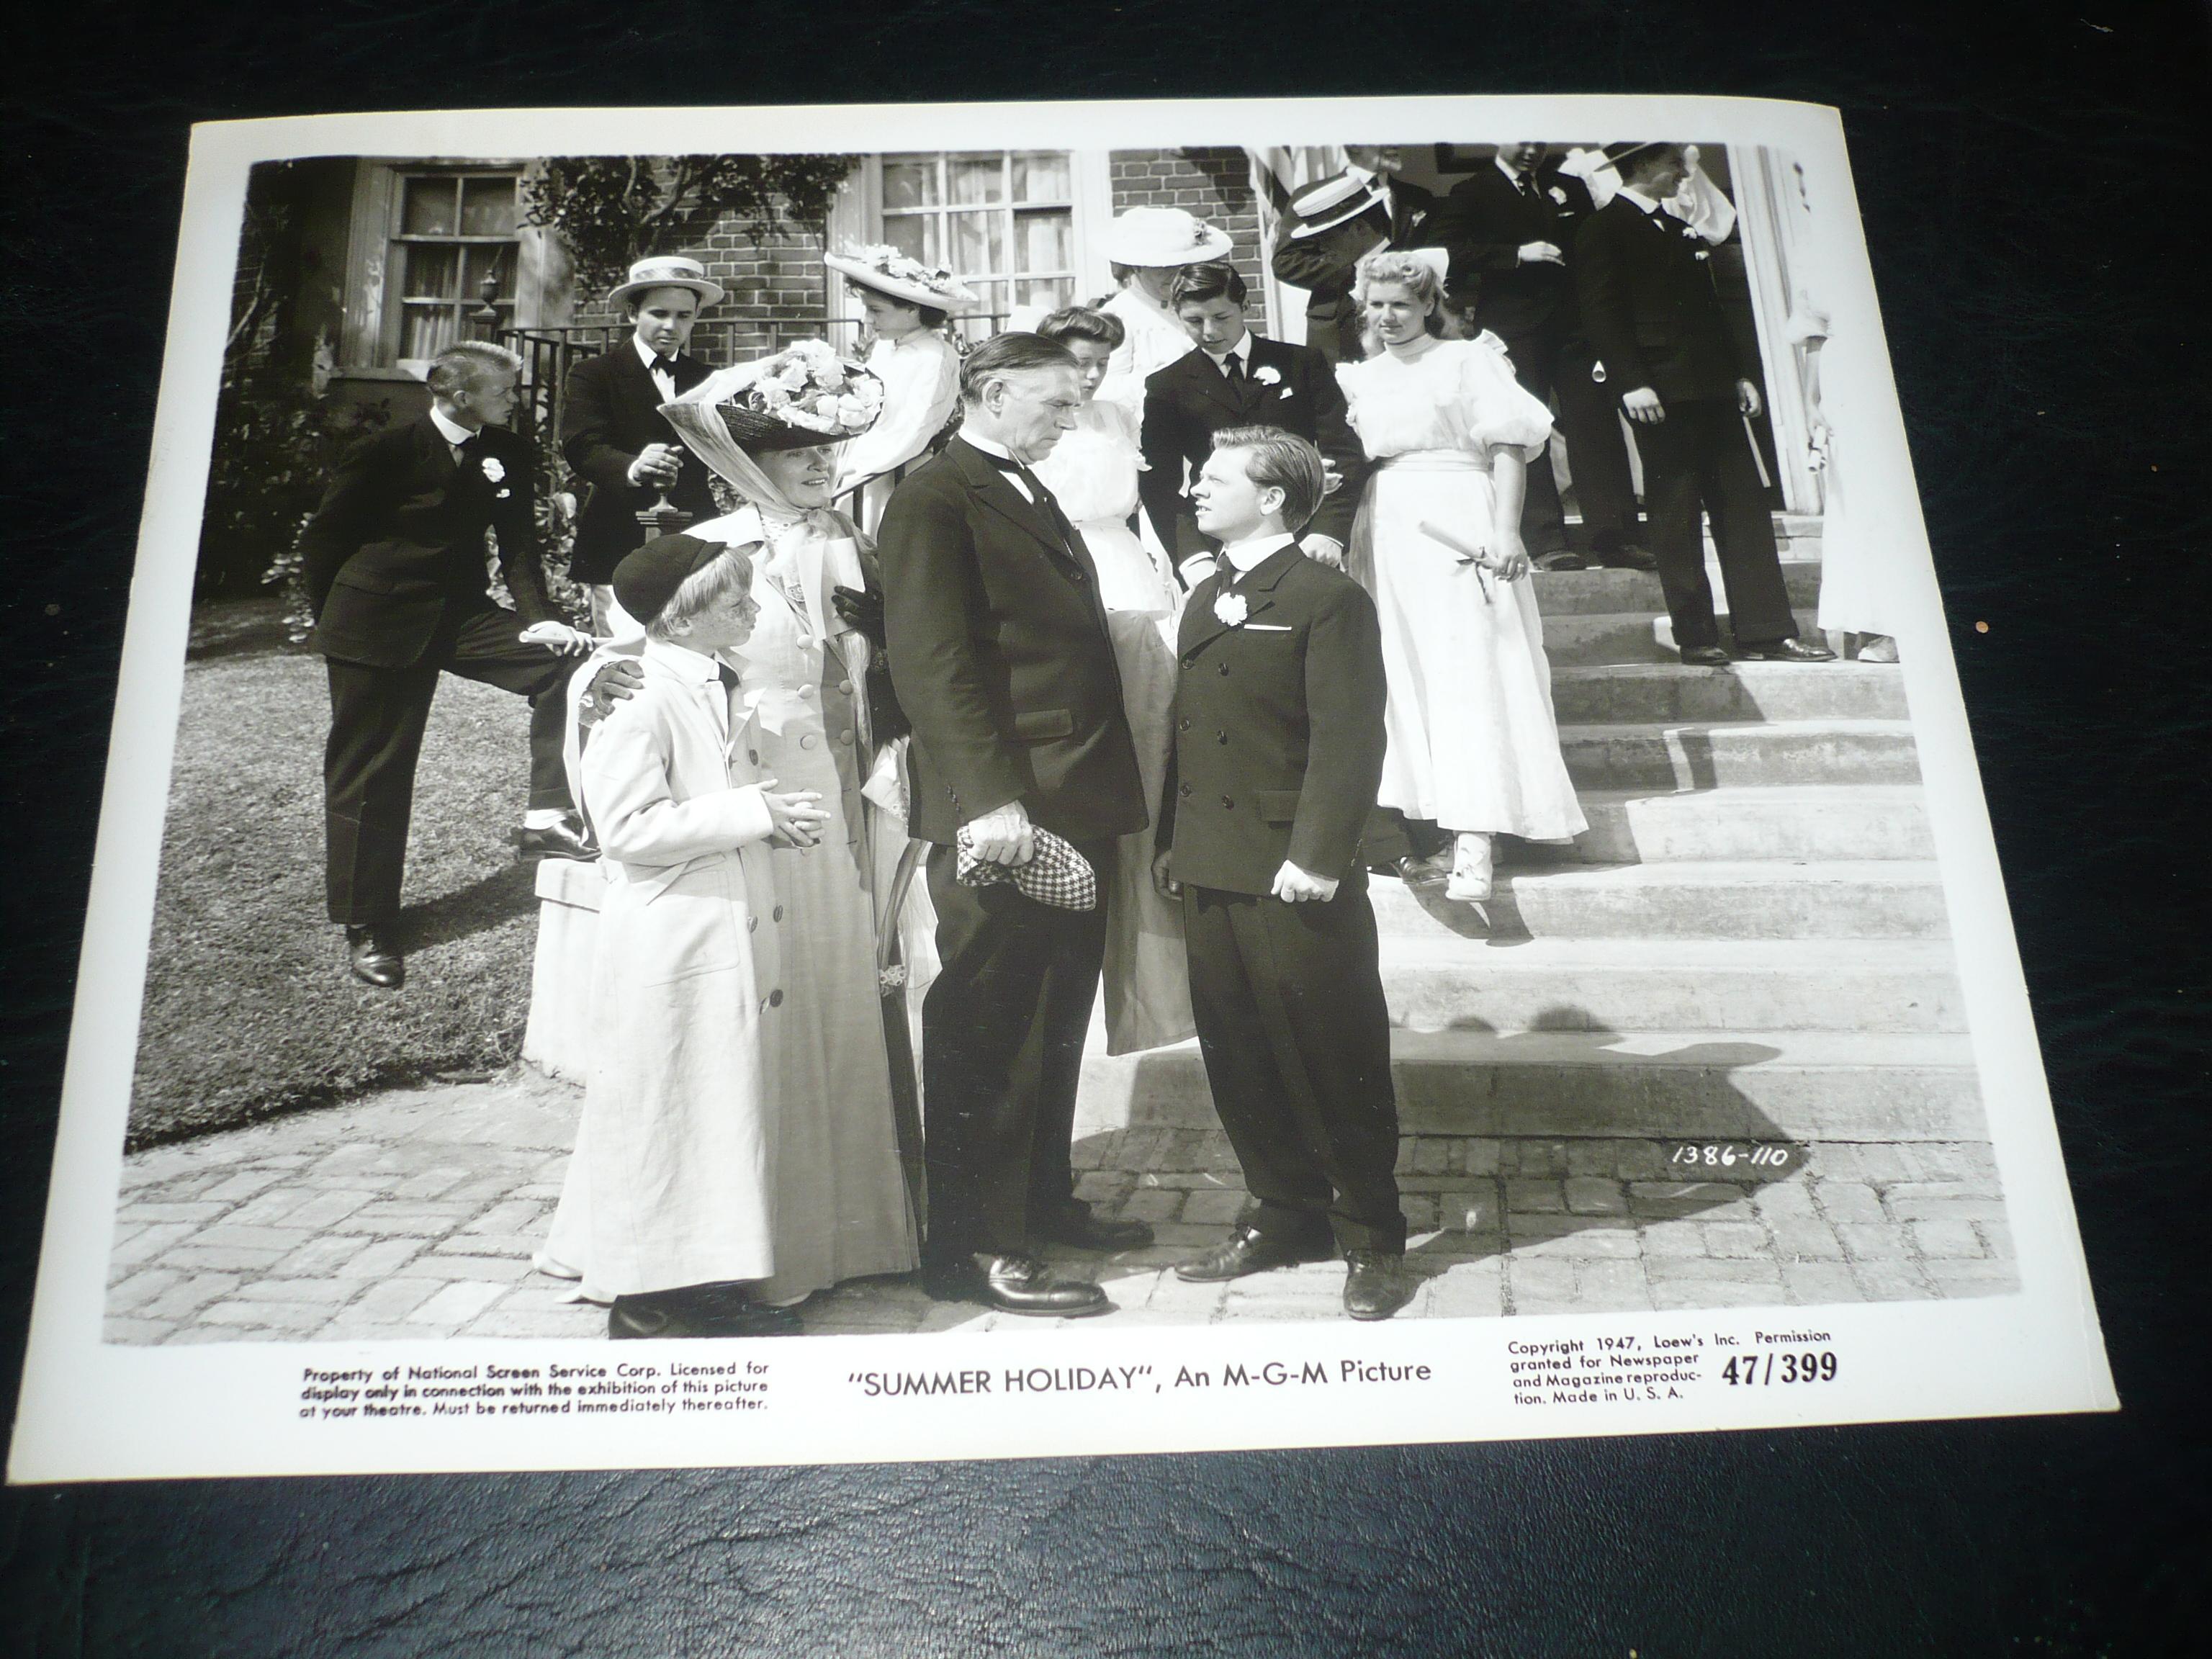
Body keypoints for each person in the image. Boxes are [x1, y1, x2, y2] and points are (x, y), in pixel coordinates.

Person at [879, 332, 1154, 1318]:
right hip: (1007, 807)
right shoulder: (935, 496)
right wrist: (986, 802)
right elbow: (932, 663)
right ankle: (977, 1246)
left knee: (1053, 1014)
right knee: (989, 1023)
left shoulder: (1024, 485)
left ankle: (1041, 1201)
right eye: (1053, 404)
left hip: (1071, 789)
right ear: (990, 397)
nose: (1067, 419)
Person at [647, 341, 922, 1306]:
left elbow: (875, 661)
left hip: (848, 789)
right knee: (774, 997)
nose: (821, 467)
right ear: (747, 460)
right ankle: (770, 1241)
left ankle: (861, 1223)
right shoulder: (716, 552)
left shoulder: (852, 538)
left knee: (850, 980)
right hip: (761, 802)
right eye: (799, 452)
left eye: (828, 450)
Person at [1149, 427, 1410, 1321]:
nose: (1195, 489)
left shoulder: (1326, 598)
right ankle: (1284, 1211)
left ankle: (1372, 1235)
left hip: (1293, 867)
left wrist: (1318, 855)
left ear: (1271, 497)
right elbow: (1185, 731)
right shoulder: (1205, 596)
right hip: (1212, 861)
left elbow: (1350, 738)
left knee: (1332, 1052)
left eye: (1214, 478)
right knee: (1239, 1050)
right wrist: (1171, 842)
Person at [555, 532, 831, 1339]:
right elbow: (626, 828)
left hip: (714, 923)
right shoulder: (639, 697)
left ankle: (700, 1280)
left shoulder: (711, 679)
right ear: (678, 620)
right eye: (733, 601)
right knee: (668, 1110)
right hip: (672, 935)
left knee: (713, 1110)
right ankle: (647, 1302)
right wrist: (754, 814)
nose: (752, 610)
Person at [299, 341, 595, 991]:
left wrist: (540, 616)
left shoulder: (505, 452)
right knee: (375, 770)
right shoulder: (386, 452)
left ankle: (547, 819)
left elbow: (518, 543)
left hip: (460, 616)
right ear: (459, 394)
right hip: (375, 620)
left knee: (569, 666)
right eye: (505, 391)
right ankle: (369, 923)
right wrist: (337, 623)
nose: (516, 401)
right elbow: (325, 540)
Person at [1336, 249, 1589, 907]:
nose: (1387, 317)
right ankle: (1432, 822)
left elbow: (1509, 448)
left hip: (1462, 512)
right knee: (1407, 671)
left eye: (1400, 304)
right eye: (1377, 305)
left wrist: (1507, 533)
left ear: (1428, 304)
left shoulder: (1468, 359)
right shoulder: (1361, 376)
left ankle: (1478, 835)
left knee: (1472, 666)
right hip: (1389, 526)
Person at [1574, 142, 1835, 666]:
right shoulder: (1602, 230)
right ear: (1644, 165)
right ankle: (1696, 635)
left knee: (1744, 506)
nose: (1683, 174)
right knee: (1676, 514)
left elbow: (1709, 311)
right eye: (1674, 164)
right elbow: (1600, 314)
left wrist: (1738, 373)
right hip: (1660, 394)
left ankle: (1766, 632)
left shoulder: (1678, 229)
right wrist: (1632, 381)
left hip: (1713, 387)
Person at [1032, 306, 1193, 1055]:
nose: (1092, 374)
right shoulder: (1036, 424)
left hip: (1131, 572)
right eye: (1079, 358)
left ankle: (1154, 982)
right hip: (1067, 578)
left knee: (1151, 750)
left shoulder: (1119, 414)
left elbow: (1146, 512)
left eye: (1102, 360)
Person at [1437, 143, 1654, 572]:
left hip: (1574, 329)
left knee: (1596, 424)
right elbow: (1447, 252)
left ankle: (1616, 539)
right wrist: (1515, 255)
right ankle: (1547, 541)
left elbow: (1591, 250)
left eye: (1538, 141)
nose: (1532, 151)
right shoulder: (1472, 192)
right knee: (1522, 429)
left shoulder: (1568, 187)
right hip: (1514, 329)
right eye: (1521, 141)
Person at [1138, 261, 1369, 590]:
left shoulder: (1302, 364)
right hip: (1218, 546)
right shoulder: (1167, 385)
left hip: (1304, 538)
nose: (1209, 332)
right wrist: (1192, 558)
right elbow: (1158, 482)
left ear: (1245, 306)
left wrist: (1328, 531)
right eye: (1194, 321)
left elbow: (1344, 452)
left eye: (1221, 318)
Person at [560, 256, 728, 634]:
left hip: (695, 530)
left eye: (684, 316)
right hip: (619, 531)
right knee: (625, 651)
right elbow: (582, 445)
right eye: (659, 313)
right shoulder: (593, 374)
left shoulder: (708, 379)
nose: (671, 326)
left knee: (698, 645)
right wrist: (633, 466)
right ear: (633, 313)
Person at [824, 244, 976, 531]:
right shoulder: (886, 347)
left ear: (912, 309)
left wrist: (848, 469)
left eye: (876, 310)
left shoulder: (934, 356)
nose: (867, 320)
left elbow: (912, 430)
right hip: (865, 472)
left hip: (898, 475)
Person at [1269, 145, 1441, 365]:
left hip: (1410, 326)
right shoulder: (1313, 198)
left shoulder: (1417, 198)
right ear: (1354, 145)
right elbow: (1286, 262)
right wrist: (1355, 270)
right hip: (1340, 326)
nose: (1395, 144)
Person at [1092, 205, 1230, 424]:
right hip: (1148, 425)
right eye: (1161, 268)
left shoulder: (1195, 307)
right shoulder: (1117, 317)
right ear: (1137, 267)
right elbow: (1104, 388)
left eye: (1181, 266)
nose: (1173, 275)